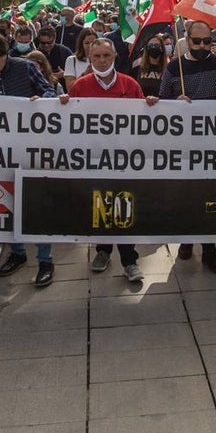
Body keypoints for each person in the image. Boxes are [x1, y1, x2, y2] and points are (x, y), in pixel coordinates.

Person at [0, 31, 58, 286]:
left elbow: (49, 93)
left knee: (36, 203)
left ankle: (45, 259)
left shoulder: (25, 67)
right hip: (1, 151)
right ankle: (17, 253)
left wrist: (39, 102)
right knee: (5, 202)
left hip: (31, 149)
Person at [58, 38, 148, 282]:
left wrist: (153, 106)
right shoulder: (80, 86)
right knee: (100, 204)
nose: (101, 60)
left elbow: (143, 119)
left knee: (125, 206)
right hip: (94, 159)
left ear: (114, 57)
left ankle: (130, 260)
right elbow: (69, 121)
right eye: (96, 56)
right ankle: (103, 251)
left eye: (106, 56)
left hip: (125, 158)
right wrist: (59, 105)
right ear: (89, 58)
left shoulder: (130, 84)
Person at [159, 19, 216, 273]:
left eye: (207, 41)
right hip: (184, 144)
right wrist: (176, 101)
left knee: (210, 193)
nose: (202, 45)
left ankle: (210, 250)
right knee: (186, 193)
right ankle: (186, 240)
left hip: (214, 143)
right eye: (197, 41)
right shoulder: (175, 68)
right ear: (186, 38)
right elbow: (162, 101)